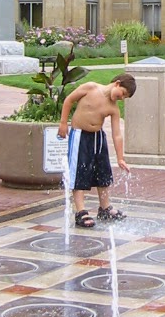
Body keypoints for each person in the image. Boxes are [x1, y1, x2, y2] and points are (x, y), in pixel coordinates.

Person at [57, 73, 136, 226]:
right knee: (79, 171)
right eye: (123, 94)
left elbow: (117, 134)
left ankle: (105, 208)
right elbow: (69, 100)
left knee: (103, 171)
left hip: (98, 137)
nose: (121, 98)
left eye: (124, 98)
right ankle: (81, 211)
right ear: (117, 83)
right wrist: (63, 123)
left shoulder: (113, 108)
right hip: (80, 135)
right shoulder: (90, 88)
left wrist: (120, 158)